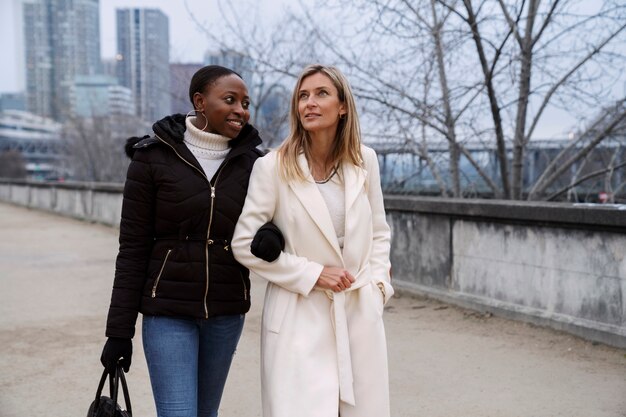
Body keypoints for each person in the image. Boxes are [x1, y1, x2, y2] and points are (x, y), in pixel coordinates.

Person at [100, 65, 280, 417]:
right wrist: (119, 331)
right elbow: (132, 249)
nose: (241, 110)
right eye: (229, 100)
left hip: (226, 312)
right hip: (167, 313)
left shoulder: (258, 165)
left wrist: (272, 234)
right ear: (199, 101)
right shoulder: (151, 157)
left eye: (246, 103)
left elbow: (276, 219)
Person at [231, 64, 394, 417]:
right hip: (298, 316)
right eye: (303, 96)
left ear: (342, 106)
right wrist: (313, 274)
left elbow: (379, 231)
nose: (309, 103)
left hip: (358, 312)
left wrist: (379, 289)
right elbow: (243, 243)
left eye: (321, 94)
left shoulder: (364, 161)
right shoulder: (273, 166)